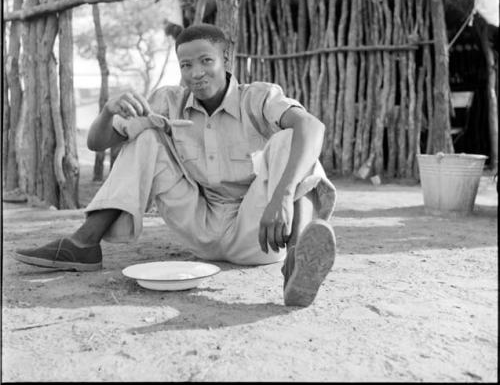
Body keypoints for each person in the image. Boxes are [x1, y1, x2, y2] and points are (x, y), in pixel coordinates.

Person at [14, 24, 337, 307]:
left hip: (260, 234)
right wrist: (108, 110)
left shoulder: (258, 97)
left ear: (227, 58)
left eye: (206, 61)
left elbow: (313, 128)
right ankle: (82, 244)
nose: (196, 73)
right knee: (145, 138)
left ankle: (297, 263)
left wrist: (281, 196)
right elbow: (97, 143)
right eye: (186, 65)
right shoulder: (168, 102)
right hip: (199, 228)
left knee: (291, 138)